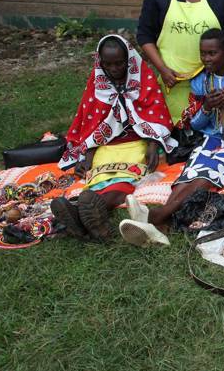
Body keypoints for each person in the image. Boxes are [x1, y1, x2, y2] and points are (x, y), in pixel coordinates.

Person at [120, 29, 224, 246]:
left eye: (212, 53)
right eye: (203, 54)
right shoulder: (201, 80)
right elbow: (196, 125)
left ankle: (157, 217)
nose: (206, 59)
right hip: (212, 138)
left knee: (207, 175)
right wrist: (207, 108)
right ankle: (161, 222)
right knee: (189, 175)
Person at [52, 35, 178, 241]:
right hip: (106, 145)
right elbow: (90, 125)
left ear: (128, 60)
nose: (114, 68)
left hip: (137, 142)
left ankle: (82, 214)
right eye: (108, 64)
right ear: (100, 62)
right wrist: (87, 156)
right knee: (99, 178)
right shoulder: (97, 84)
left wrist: (154, 145)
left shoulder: (142, 78)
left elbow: (158, 115)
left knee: (124, 179)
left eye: (119, 63)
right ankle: (91, 218)